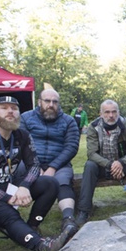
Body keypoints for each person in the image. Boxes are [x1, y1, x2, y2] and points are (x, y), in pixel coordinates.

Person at [0, 96, 73, 251]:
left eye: (14, 108)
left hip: (4, 184)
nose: (10, 111)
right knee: (6, 211)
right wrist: (6, 198)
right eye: (4, 108)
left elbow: (34, 165)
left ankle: (31, 227)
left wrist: (24, 186)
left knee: (50, 183)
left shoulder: (22, 136)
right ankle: (42, 245)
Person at [76, 99, 126, 225]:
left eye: (114, 112)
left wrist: (121, 162)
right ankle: (84, 210)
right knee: (89, 165)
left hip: (124, 164)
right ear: (101, 113)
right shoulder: (93, 127)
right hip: (102, 166)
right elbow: (91, 153)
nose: (111, 115)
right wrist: (111, 165)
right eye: (107, 112)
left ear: (118, 112)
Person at [20, 89, 80, 234]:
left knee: (63, 181)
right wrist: (35, 165)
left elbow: (71, 147)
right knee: (17, 174)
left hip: (60, 164)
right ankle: (5, 216)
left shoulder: (68, 121)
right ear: (39, 102)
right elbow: (20, 143)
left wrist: (53, 167)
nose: (51, 105)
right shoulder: (25, 118)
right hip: (29, 162)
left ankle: (68, 220)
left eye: (55, 102)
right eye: (47, 101)